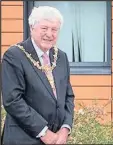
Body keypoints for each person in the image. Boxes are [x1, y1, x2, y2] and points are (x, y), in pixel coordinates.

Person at [1, 6, 75, 144]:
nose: (49, 34)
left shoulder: (61, 57)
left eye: (54, 29)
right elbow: (13, 100)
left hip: (56, 139)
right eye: (44, 28)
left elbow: (68, 96)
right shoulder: (14, 55)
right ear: (32, 27)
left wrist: (65, 128)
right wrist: (44, 132)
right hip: (23, 138)